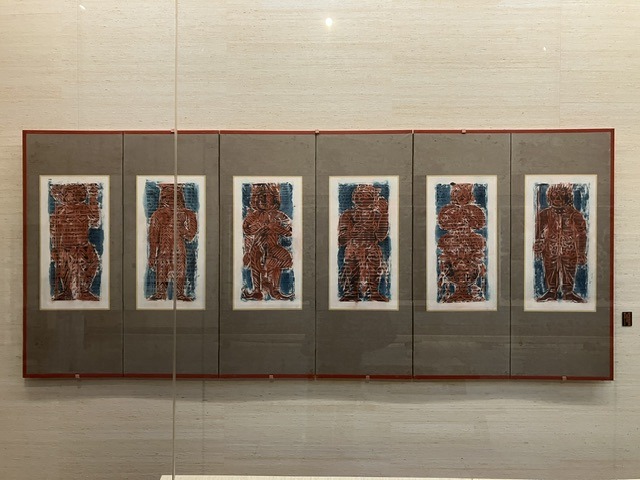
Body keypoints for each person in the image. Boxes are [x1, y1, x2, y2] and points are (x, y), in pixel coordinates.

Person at [534, 183, 587, 303]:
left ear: (567, 197)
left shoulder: (575, 214)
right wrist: (538, 243)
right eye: (554, 195)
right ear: (550, 196)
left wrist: (581, 252)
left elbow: (582, 234)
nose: (557, 198)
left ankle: (568, 292)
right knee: (550, 268)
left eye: (561, 195)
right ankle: (551, 291)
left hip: (569, 248)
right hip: (550, 247)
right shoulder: (544, 214)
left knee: (569, 269)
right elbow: (538, 231)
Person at [241, 183, 294, 301]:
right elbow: (246, 229)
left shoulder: (279, 215)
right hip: (257, 246)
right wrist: (258, 229)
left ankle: (275, 289)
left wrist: (275, 228)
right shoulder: (253, 215)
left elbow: (290, 230)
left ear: (274, 198)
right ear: (255, 199)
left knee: (276, 262)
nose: (263, 200)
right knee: (255, 260)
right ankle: (257, 290)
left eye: (267, 196)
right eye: (260, 197)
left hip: (273, 246)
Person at [338, 183, 389, 302]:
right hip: (353, 248)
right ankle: (353, 292)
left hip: (372, 247)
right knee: (352, 269)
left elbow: (381, 236)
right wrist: (351, 232)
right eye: (360, 196)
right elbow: (341, 240)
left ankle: (374, 292)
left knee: (374, 268)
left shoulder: (377, 215)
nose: (363, 199)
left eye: (368, 196)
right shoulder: (348, 215)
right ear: (355, 198)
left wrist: (384, 215)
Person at [49, 183, 101, 301]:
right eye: (69, 194)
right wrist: (55, 248)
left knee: (91, 264)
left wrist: (93, 197)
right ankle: (68, 292)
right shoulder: (60, 210)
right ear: (64, 196)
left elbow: (95, 220)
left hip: (83, 246)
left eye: (74, 193)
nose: (72, 196)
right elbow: (54, 231)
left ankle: (84, 291)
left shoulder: (83, 208)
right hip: (65, 248)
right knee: (66, 271)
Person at [147, 184, 198, 301]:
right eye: (167, 196)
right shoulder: (158, 215)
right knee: (162, 269)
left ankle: (179, 293)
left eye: (173, 196)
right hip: (163, 250)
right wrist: (152, 256)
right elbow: (153, 237)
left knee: (179, 270)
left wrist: (182, 230)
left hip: (178, 249)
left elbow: (191, 234)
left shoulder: (187, 214)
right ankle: (161, 292)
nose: (170, 200)